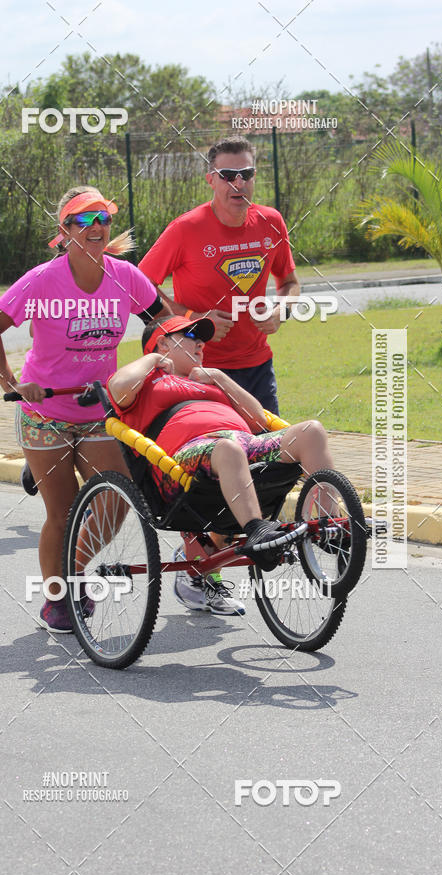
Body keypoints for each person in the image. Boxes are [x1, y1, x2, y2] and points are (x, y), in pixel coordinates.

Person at [0, 186, 166, 634]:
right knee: (61, 515)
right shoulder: (43, 280)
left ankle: (73, 571)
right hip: (45, 414)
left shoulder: (126, 276)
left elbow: (164, 322)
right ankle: (57, 598)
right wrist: (14, 386)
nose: (96, 226)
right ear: (65, 231)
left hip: (98, 409)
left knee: (117, 501)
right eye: (84, 220)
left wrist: (155, 364)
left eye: (102, 217)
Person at [138, 136, 301, 607]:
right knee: (201, 480)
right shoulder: (186, 229)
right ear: (210, 179)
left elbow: (288, 282)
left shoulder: (270, 222)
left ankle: (252, 543)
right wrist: (194, 322)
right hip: (198, 378)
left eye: (246, 173)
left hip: (255, 369)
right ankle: (195, 573)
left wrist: (281, 309)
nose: (238, 183)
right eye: (228, 175)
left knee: (267, 467)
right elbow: (142, 288)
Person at [107, 316, 335, 613]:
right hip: (182, 460)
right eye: (189, 334)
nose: (201, 342)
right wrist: (153, 358)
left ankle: (332, 527)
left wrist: (220, 377)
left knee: (311, 431)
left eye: (202, 338)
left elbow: (258, 421)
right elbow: (117, 388)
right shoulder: (147, 380)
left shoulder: (211, 381)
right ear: (162, 341)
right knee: (226, 449)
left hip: (241, 445)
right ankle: (257, 530)